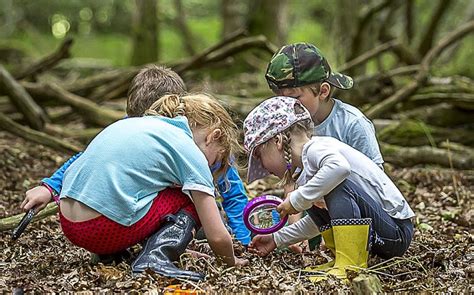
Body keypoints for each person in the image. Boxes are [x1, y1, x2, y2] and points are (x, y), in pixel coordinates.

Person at [24, 93, 249, 281]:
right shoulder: (188, 150)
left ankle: (112, 254)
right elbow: (217, 236)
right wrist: (230, 261)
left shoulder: (135, 125)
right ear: (213, 136)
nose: (210, 166)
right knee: (190, 200)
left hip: (70, 223)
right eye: (215, 159)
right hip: (99, 229)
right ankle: (154, 258)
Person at [21, 65, 251, 247]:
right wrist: (50, 187)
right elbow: (88, 160)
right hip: (128, 211)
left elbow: (233, 195)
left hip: (178, 211)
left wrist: (243, 240)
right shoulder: (131, 132)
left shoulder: (210, 146)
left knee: (205, 215)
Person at [244, 96, 415, 281]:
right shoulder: (308, 173)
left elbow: (340, 168)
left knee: (332, 186)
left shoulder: (318, 147)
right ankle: (342, 258)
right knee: (313, 196)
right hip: (376, 233)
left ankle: (350, 263)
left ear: (277, 141)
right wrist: (277, 239)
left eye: (260, 155)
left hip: (396, 233)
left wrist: (297, 199)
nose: (262, 165)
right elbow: (328, 218)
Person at [265, 42, 385, 252]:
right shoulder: (288, 126)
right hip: (315, 218)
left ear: (323, 91)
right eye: (279, 98)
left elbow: (376, 185)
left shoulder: (352, 124)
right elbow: (293, 181)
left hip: (360, 218)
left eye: (293, 98)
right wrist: (293, 232)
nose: (285, 106)